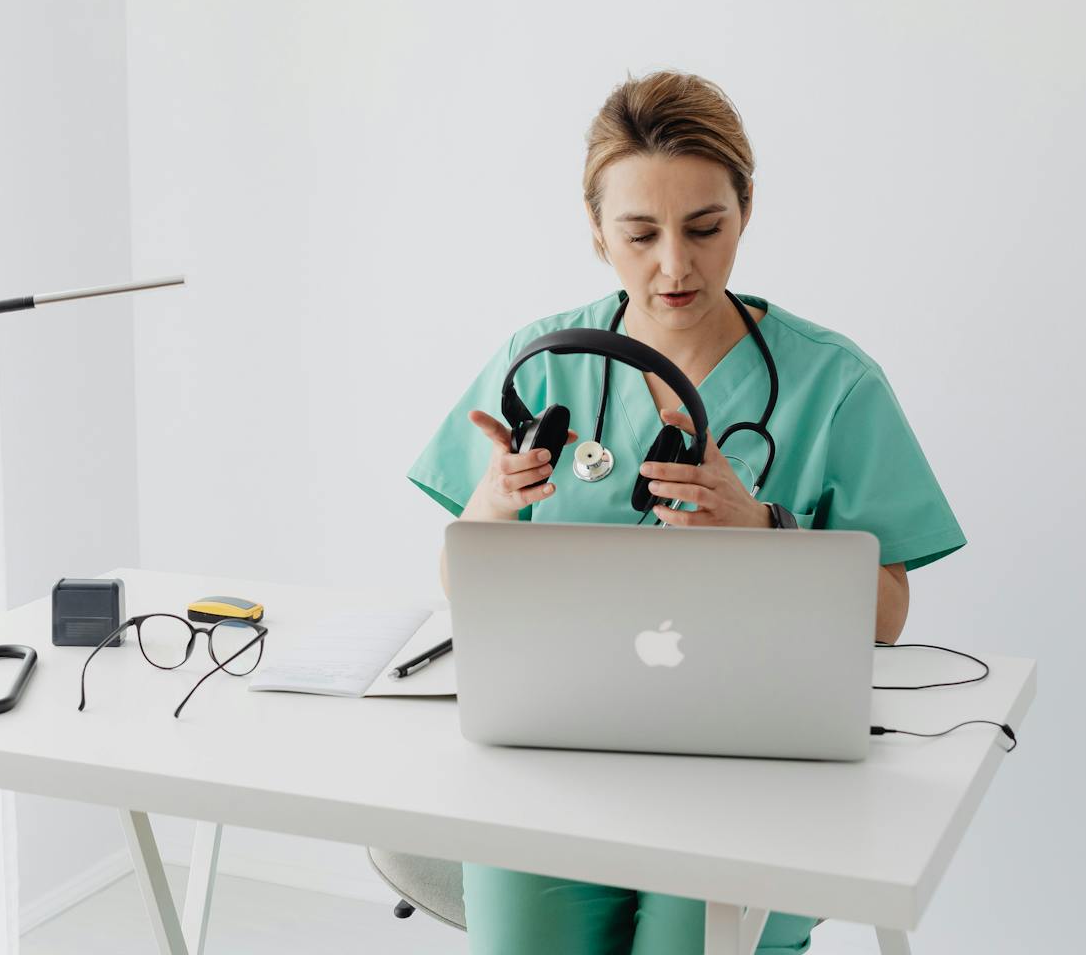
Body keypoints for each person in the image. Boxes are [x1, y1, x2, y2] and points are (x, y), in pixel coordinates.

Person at [406, 70, 968, 955]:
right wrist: (494, 498)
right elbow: (460, 582)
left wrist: (760, 533)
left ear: (746, 209)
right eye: (640, 234)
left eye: (706, 228)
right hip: (559, 756)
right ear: (596, 232)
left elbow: (888, 619)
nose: (675, 264)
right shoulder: (542, 364)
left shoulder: (835, 384)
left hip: (758, 769)